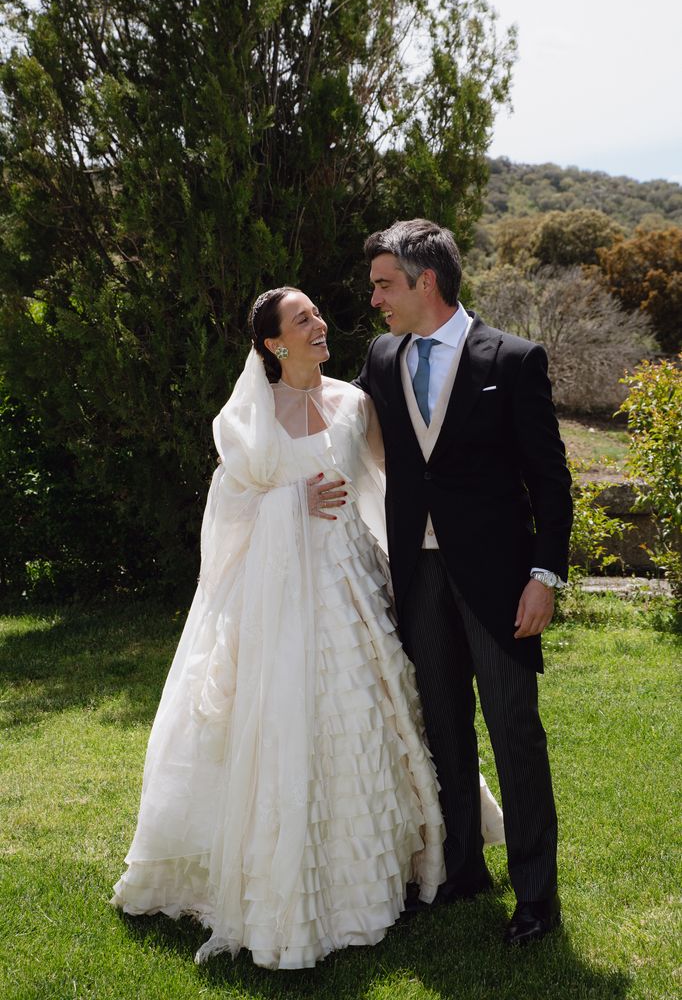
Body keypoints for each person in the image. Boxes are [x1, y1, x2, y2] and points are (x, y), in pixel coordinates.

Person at [111, 286, 504, 970]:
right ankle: (288, 888)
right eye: (303, 319)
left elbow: (396, 481)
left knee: (372, 715)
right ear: (274, 343)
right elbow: (228, 512)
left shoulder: (355, 403)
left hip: (354, 590)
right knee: (286, 726)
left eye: (317, 313)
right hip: (278, 603)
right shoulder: (248, 417)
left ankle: (390, 872)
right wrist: (291, 501)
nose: (319, 324)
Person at [355, 219, 573, 945]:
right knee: (444, 727)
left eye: (384, 284)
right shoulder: (382, 356)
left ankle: (536, 897)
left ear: (426, 282)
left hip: (499, 581)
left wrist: (544, 575)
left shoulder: (513, 359)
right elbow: (342, 424)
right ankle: (462, 869)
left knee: (514, 732)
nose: (375, 299)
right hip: (416, 575)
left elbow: (550, 482)